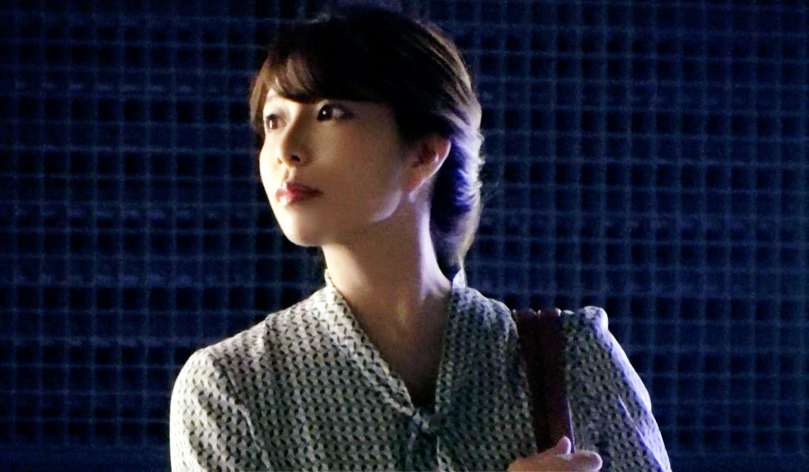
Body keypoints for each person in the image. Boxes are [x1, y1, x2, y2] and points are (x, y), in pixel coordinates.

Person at [169, 5, 671, 471]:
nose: (286, 150)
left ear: (424, 152)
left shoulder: (573, 360)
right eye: (273, 121)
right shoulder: (232, 389)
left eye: (329, 112)